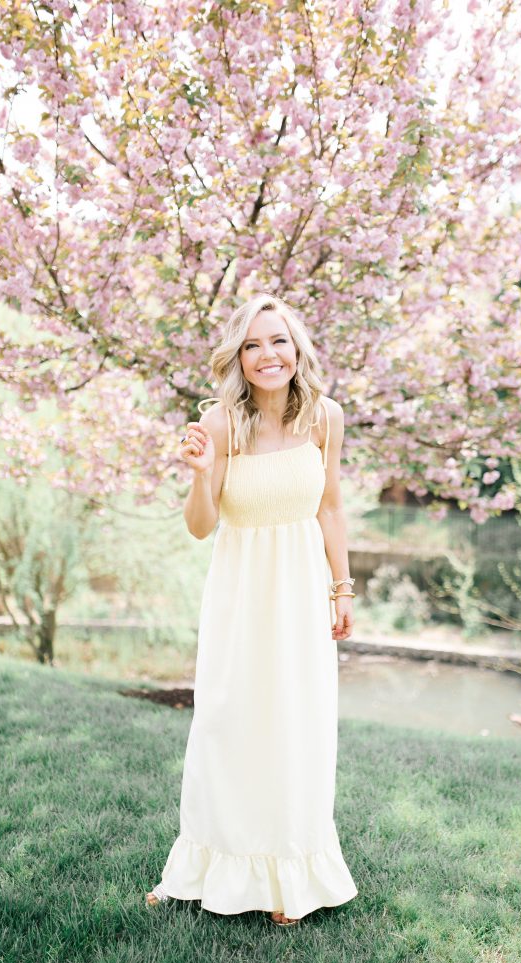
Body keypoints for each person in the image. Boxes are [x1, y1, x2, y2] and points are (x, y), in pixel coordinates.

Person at [146, 292, 358, 925]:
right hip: (240, 595)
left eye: (280, 341)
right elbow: (200, 526)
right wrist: (199, 472)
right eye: (254, 344)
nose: (269, 355)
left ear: (298, 350)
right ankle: (202, 866)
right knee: (225, 723)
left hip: (300, 590)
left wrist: (342, 588)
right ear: (239, 356)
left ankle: (289, 876)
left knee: (297, 727)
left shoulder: (326, 417)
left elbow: (331, 507)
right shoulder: (217, 425)